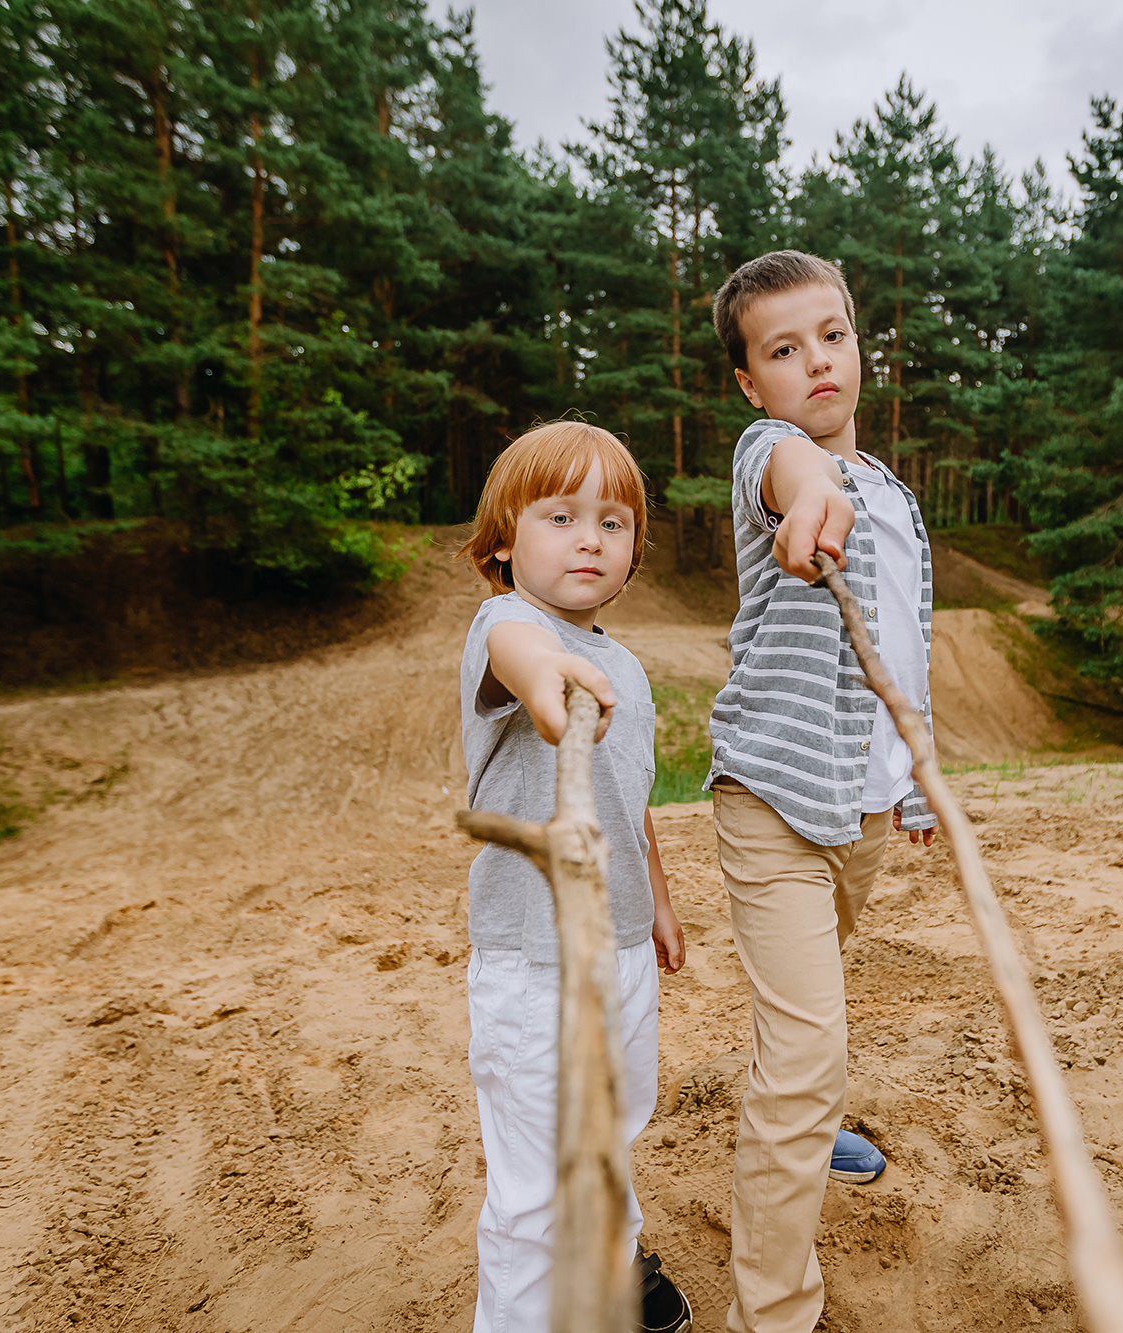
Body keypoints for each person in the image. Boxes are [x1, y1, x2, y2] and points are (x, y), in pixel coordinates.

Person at [705, 251, 938, 1333]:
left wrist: (915, 785)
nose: (815, 362)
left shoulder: (891, 494)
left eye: (830, 336)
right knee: (806, 1050)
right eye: (782, 350)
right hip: (771, 799)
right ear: (753, 383)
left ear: (857, 343)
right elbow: (796, 481)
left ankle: (797, 1116)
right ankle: (775, 1316)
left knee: (809, 1020)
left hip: (861, 811)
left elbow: (906, 646)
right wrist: (808, 507)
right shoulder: (774, 455)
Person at [455, 421, 693, 1333]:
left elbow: (630, 798)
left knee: (612, 1133)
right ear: (508, 537)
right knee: (529, 1191)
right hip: (536, 964)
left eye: (614, 520)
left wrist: (662, 903)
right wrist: (550, 668)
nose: (591, 536)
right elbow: (521, 649)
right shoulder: (504, 626)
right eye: (561, 515)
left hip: (623, 949)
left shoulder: (626, 664)